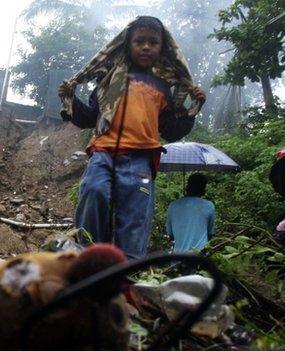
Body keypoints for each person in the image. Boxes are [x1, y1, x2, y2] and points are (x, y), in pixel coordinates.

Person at [58, 16, 206, 258]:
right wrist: (71, 98)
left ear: (162, 48)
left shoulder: (163, 87)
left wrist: (192, 109)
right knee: (94, 192)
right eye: (139, 41)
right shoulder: (109, 80)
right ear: (128, 44)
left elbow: (170, 130)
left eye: (153, 42)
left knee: (135, 219)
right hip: (103, 153)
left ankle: (127, 274)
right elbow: (88, 118)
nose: (146, 46)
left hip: (140, 162)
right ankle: (89, 260)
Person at [166, 173, 215, 252]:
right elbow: (210, 234)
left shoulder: (173, 205)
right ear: (202, 189)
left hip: (178, 257)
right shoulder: (209, 205)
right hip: (200, 255)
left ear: (187, 187)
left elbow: (171, 235)